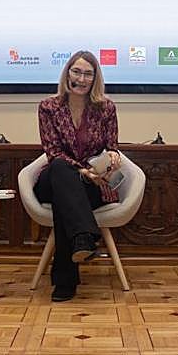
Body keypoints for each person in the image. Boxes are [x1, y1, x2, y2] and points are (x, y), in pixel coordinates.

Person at [36, 50, 121, 302]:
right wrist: (80, 170)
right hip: (54, 179)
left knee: (67, 202)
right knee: (62, 170)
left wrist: (113, 157)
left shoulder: (106, 108)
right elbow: (52, 151)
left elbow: (111, 146)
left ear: (95, 78)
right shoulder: (48, 107)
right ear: (67, 73)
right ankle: (85, 235)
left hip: (92, 184)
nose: (82, 79)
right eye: (77, 72)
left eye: (88, 74)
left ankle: (66, 278)